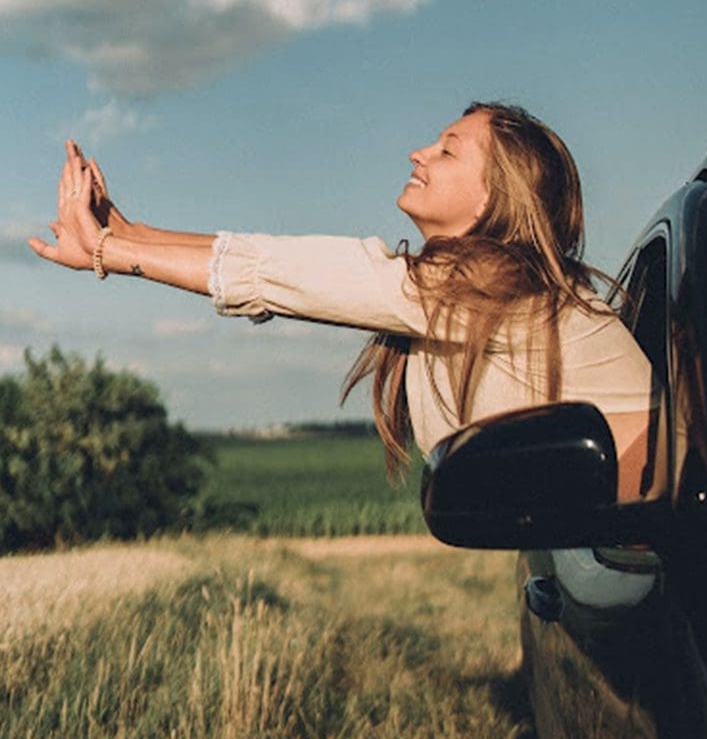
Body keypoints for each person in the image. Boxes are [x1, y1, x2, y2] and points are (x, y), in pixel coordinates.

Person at [29, 102, 656, 500]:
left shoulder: (505, 295)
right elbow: (269, 259)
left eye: (447, 148)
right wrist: (125, 232)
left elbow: (289, 272)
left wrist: (111, 251)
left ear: (492, 199)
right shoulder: (478, 292)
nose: (419, 152)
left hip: (682, 558)